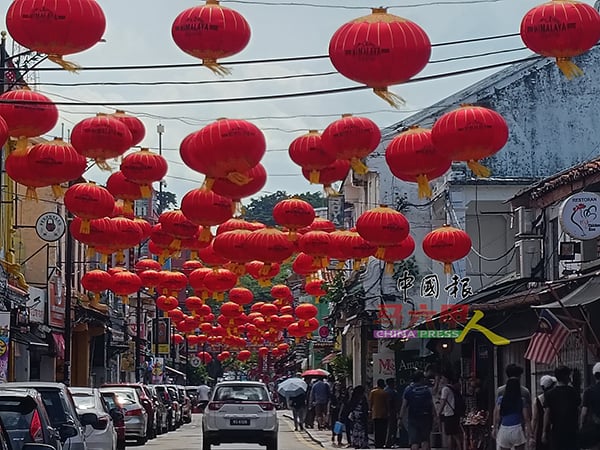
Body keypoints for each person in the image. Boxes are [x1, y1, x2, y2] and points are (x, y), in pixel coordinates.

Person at [542, 365, 581, 450]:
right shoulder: (573, 392)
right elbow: (578, 409)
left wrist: (544, 432)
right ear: (567, 377)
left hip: (556, 430)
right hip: (572, 430)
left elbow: (547, 413)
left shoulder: (549, 394)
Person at [492, 377, 532, 450]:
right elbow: (527, 418)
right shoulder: (522, 400)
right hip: (517, 429)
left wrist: (494, 428)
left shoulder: (501, 399)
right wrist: (531, 434)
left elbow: (497, 416)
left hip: (504, 429)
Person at [400, 370, 435, 450]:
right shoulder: (426, 389)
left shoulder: (408, 389)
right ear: (421, 379)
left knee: (414, 442)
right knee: (425, 440)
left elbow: (404, 405)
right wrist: (435, 416)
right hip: (426, 417)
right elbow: (431, 404)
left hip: (413, 418)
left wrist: (400, 418)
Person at [437, 373, 463, 450]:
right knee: (455, 434)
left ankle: (456, 448)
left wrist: (439, 412)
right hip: (455, 413)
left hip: (449, 414)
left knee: (451, 435)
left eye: (442, 378)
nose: (441, 380)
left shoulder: (445, 389)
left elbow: (443, 401)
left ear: (446, 379)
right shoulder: (453, 388)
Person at [531, 375, 556, 450]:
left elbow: (535, 418)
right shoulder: (555, 397)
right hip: (554, 427)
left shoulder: (538, 400)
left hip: (540, 429)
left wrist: (532, 433)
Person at [579, 362, 600, 450]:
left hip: (594, 429)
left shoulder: (588, 391)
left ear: (594, 375)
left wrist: (581, 425)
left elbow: (584, 413)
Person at [369, 378, 389, 448]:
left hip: (375, 414)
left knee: (376, 430)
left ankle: (377, 443)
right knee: (383, 430)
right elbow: (387, 404)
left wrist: (370, 411)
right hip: (384, 414)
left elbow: (370, 403)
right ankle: (382, 443)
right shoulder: (384, 392)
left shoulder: (373, 392)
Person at [349, 385, 369, 449]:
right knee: (362, 429)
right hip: (361, 415)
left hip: (354, 415)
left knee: (355, 429)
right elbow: (365, 407)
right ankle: (362, 443)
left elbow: (350, 405)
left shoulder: (354, 397)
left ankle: (356, 443)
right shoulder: (363, 397)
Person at [385, 378, 402, 448]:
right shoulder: (392, 392)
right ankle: (390, 443)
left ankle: (388, 442)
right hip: (392, 411)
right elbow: (393, 402)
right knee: (392, 428)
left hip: (387, 411)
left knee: (388, 427)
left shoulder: (385, 391)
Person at [330, 381, 344, 447]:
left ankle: (339, 440)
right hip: (333, 411)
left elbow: (343, 403)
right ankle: (333, 435)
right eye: (336, 386)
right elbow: (330, 403)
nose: (338, 387)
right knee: (333, 425)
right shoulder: (332, 394)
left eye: (339, 386)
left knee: (340, 426)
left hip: (340, 412)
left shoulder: (342, 395)